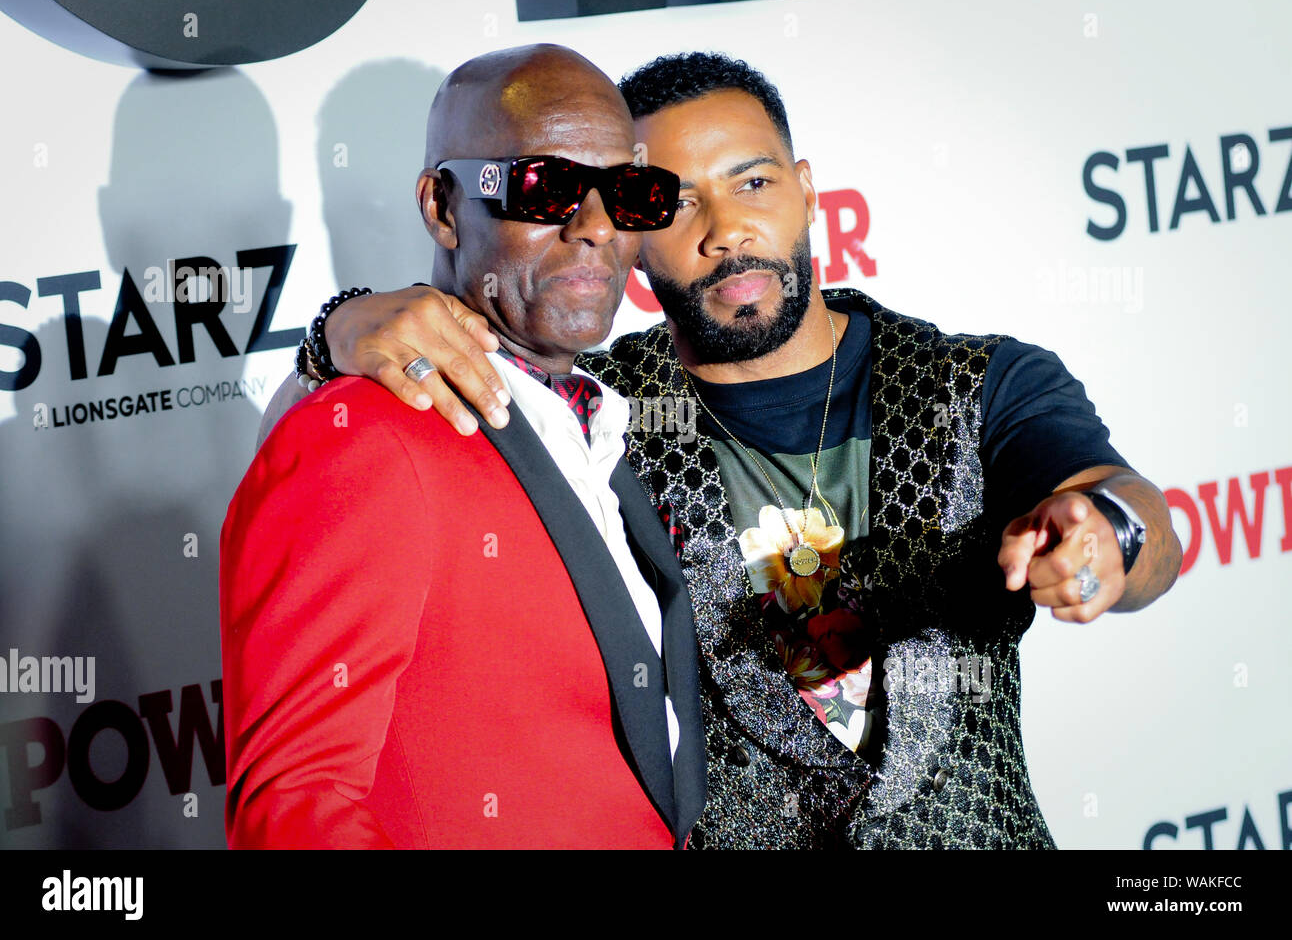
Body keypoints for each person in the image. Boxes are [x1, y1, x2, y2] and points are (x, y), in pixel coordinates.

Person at [265, 51, 1183, 849]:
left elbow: (1130, 511)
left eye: (753, 182)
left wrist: (1111, 534)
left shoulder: (975, 382)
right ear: (630, 230)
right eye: (670, 201)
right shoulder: (588, 413)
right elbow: (382, 425)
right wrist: (335, 329)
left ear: (808, 189)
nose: (724, 230)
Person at [219, 45, 706, 849]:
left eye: (628, 193)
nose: (595, 228)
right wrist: (334, 335)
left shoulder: (606, 417)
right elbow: (296, 809)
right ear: (444, 208)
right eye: (546, 188)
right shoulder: (362, 440)